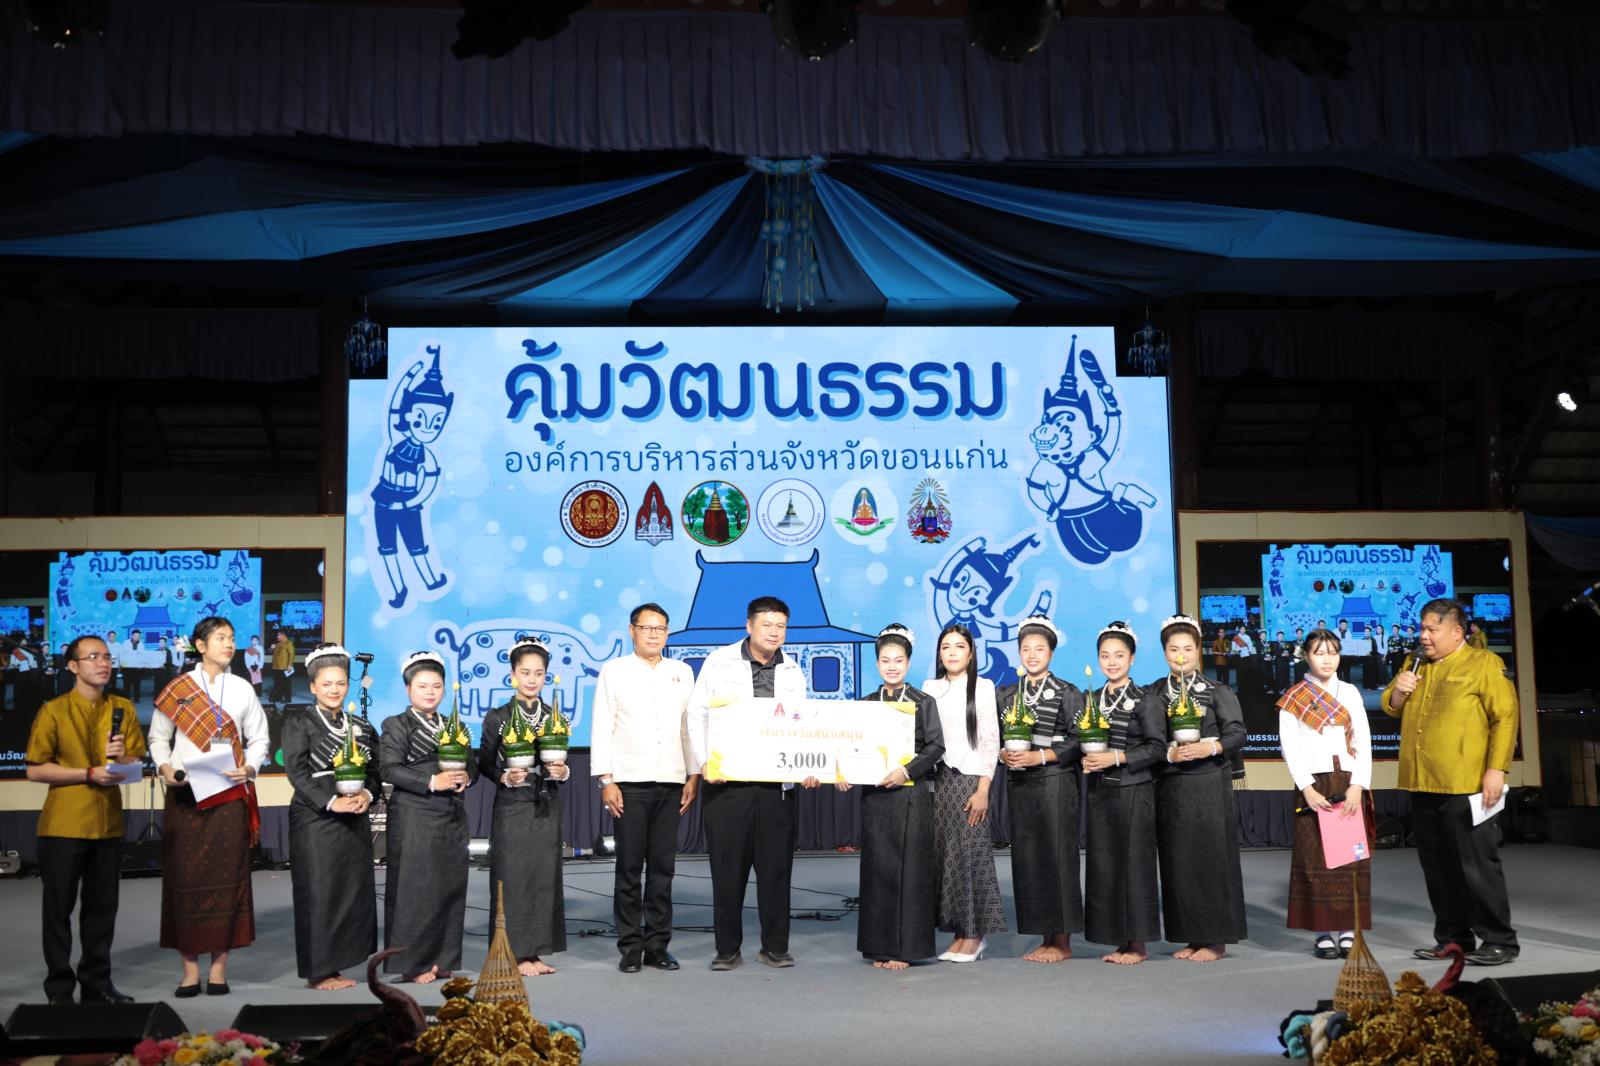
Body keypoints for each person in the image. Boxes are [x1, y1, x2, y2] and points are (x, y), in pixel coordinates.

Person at [1382, 599, 1520, 967]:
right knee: (1437, 866)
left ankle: (1499, 940)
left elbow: (1505, 718)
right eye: (1422, 628)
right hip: (1422, 780)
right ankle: (1453, 939)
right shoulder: (1414, 664)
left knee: (1476, 864)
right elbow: (1391, 706)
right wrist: (1399, 691)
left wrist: (1497, 770)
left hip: (1466, 782)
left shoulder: (1484, 663)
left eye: (1432, 629)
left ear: (1457, 632)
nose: (1424, 636)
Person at [687, 596, 808, 971]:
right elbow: (696, 714)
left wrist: (809, 761)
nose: (774, 632)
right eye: (767, 624)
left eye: (781, 626)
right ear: (749, 626)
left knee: (776, 871)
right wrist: (704, 763)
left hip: (776, 787)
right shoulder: (718, 661)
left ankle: (775, 947)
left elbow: (802, 722)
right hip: (728, 785)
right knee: (727, 871)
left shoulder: (793, 669)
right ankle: (727, 949)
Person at [25, 634, 148, 1004]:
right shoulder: (54, 711)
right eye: (93, 656)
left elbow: (134, 766)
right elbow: (35, 770)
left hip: (107, 825)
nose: (103, 663)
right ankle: (59, 990)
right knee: (58, 912)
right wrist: (88, 774)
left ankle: (97, 985)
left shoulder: (122, 708)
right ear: (73, 666)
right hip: (63, 825)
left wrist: (121, 756)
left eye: (107, 656)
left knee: (101, 913)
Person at [150, 617, 269, 997]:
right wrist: (166, 769)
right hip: (186, 796)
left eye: (231, 638)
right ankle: (189, 972)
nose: (229, 644)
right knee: (184, 880)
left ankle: (218, 971)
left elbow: (259, 739)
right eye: (220, 638)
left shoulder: (242, 688)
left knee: (228, 879)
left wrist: (249, 767)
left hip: (228, 796)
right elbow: (158, 738)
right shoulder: (178, 688)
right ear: (200, 646)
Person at [591, 604, 698, 974]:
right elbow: (602, 726)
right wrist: (605, 780)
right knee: (629, 867)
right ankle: (630, 946)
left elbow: (688, 728)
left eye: (661, 628)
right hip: (629, 783)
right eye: (647, 627)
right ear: (632, 630)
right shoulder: (615, 670)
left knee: (663, 869)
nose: (654, 634)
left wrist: (693, 774)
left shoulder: (682, 672)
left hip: (671, 781)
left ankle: (657, 945)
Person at [1148, 614, 1247, 962]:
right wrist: (1168, 752)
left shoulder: (1217, 691)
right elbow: (1147, 739)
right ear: (1164, 653)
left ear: (1198, 651)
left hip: (1209, 784)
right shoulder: (1154, 693)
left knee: (1211, 859)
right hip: (1171, 786)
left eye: (1187, 649)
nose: (1181, 656)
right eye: (1173, 649)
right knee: (1178, 861)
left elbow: (1237, 733)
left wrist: (1211, 747)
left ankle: (1215, 940)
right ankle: (1190, 935)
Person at [846, 624, 944, 970]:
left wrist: (906, 770)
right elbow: (851, 746)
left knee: (910, 870)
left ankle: (906, 948)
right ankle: (879, 946)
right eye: (885, 660)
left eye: (898, 660)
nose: (892, 666)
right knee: (878, 871)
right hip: (875, 797)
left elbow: (936, 747)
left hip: (910, 795)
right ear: (877, 664)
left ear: (908, 663)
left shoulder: (923, 702)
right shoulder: (865, 704)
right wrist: (844, 772)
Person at [281, 643, 378, 991]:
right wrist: (331, 802)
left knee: (350, 890)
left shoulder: (361, 725)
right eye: (326, 684)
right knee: (320, 891)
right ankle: (319, 971)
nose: (334, 690)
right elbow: (297, 774)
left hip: (354, 819)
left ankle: (340, 964)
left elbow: (375, 772)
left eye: (340, 683)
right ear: (312, 686)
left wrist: (367, 795)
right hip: (315, 819)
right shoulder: (299, 723)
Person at [1277, 628, 1374, 960]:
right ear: (1306, 656)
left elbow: (1363, 740)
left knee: (1348, 859)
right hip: (1313, 785)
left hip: (1347, 782)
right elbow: (1290, 747)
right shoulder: (1294, 697)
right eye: (1319, 653)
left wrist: (1358, 785)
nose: (1327, 659)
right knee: (1314, 859)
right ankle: (1322, 932)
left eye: (1333, 652)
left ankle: (1347, 929)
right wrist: (1306, 788)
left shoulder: (1350, 692)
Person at [379, 651, 475, 982]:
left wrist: (467, 776)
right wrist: (433, 781)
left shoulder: (453, 725)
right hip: (414, 816)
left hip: (451, 815)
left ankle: (441, 959)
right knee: (414, 889)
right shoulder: (396, 724)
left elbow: (472, 763)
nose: (430, 692)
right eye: (422, 686)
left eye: (436, 686)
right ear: (408, 689)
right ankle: (413, 963)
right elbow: (389, 768)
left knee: (448, 887)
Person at [479, 638, 570, 977]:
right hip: (512, 807)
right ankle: (512, 953)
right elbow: (484, 763)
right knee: (512, 877)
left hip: (545, 804)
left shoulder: (553, 716)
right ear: (513, 675)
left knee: (543, 876)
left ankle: (535, 951)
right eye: (525, 672)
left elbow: (557, 761)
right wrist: (503, 776)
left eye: (539, 673)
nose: (532, 679)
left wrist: (562, 772)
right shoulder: (498, 717)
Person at [995, 615, 1082, 964]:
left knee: (1057, 858)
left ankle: (1062, 940)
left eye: (1039, 649)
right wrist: (1002, 754)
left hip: (1055, 783)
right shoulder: (1007, 694)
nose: (1032, 655)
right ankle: (1045, 936)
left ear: (1051, 653)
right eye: (1026, 649)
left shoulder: (1066, 691)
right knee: (1029, 860)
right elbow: (995, 739)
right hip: (1020, 785)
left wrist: (1040, 756)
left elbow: (1078, 741)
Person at [1080, 622, 1164, 965]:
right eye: (1105, 656)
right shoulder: (1091, 698)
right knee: (1106, 864)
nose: (1111, 662)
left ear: (1132, 658)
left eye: (1119, 655)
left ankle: (1138, 943)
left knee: (1134, 864)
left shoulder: (1146, 699)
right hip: (1100, 792)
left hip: (1134, 791)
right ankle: (1119, 938)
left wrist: (1116, 757)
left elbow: (1157, 748)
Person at [927, 622, 1005, 962]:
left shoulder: (983, 687)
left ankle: (975, 936)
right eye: (946, 647)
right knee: (948, 858)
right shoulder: (930, 688)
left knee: (971, 858)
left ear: (971, 654)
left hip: (971, 781)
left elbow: (990, 741)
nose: (952, 652)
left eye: (959, 646)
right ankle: (960, 932)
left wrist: (984, 788)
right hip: (940, 781)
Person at [270, 631, 295, 705]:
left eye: (279, 635)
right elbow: (272, 652)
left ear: (283, 635)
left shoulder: (289, 643)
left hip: (284, 667)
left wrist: (290, 665)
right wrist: (271, 648)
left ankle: (287, 698)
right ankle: (278, 697)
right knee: (277, 683)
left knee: (286, 683)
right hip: (276, 666)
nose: (277, 637)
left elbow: (292, 654)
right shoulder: (278, 643)